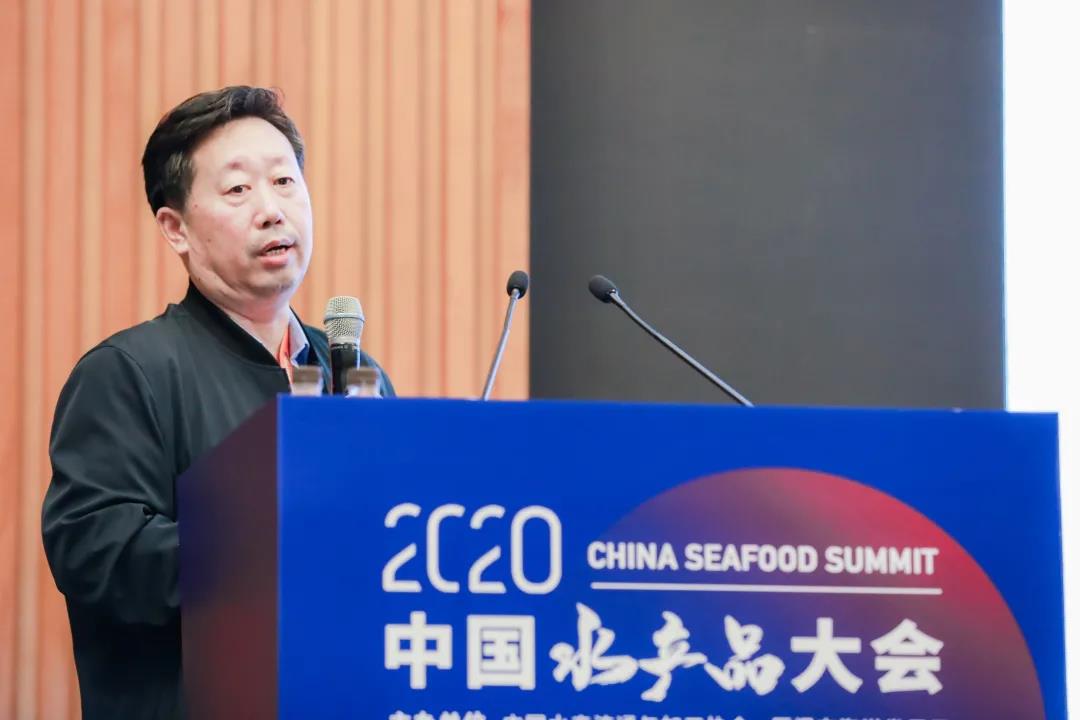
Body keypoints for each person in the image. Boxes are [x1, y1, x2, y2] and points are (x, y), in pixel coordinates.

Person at [41, 86, 393, 719]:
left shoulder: (356, 377)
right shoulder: (127, 374)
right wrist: (276, 549)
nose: (272, 210)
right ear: (175, 229)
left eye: (284, 181)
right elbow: (99, 554)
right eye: (238, 190)